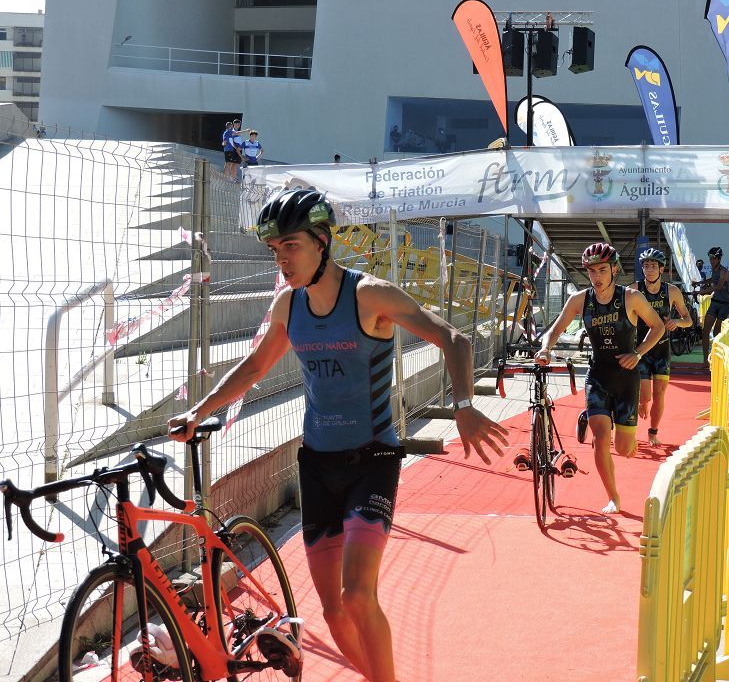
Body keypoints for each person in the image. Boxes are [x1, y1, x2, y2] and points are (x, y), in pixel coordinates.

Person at [167, 189, 509, 682]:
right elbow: (255, 367)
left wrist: (462, 406)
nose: (282, 259)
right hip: (317, 466)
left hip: (372, 461)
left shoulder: (370, 295)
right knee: (332, 613)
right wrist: (199, 411)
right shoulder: (289, 305)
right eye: (275, 249)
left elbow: (453, 338)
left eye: (291, 246)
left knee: (357, 595)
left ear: (322, 242)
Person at [535, 243, 664, 514]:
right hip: (598, 376)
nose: (597, 276)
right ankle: (614, 497)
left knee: (625, 448)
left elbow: (658, 327)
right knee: (601, 438)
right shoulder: (580, 300)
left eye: (602, 270)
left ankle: (605, 421)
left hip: (627, 378)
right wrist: (546, 349)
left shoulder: (631, 298)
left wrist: (638, 353)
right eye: (592, 271)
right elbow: (555, 329)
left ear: (614, 269)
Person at [630, 248, 692, 447]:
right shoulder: (635, 289)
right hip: (642, 349)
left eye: (653, 266)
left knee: (659, 394)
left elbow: (689, 320)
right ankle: (641, 402)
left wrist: (676, 322)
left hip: (662, 351)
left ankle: (653, 432)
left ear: (661, 269)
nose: (649, 270)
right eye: (646, 266)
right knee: (646, 396)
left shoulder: (672, 291)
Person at [696, 246, 729, 367]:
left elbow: (719, 287)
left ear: (718, 258)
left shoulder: (724, 271)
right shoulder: (714, 269)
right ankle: (705, 361)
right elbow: (712, 279)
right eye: (710, 258)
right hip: (715, 302)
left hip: (725, 305)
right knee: (705, 331)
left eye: (713, 258)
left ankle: (717, 360)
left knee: (717, 332)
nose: (711, 260)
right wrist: (699, 283)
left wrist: (703, 291)